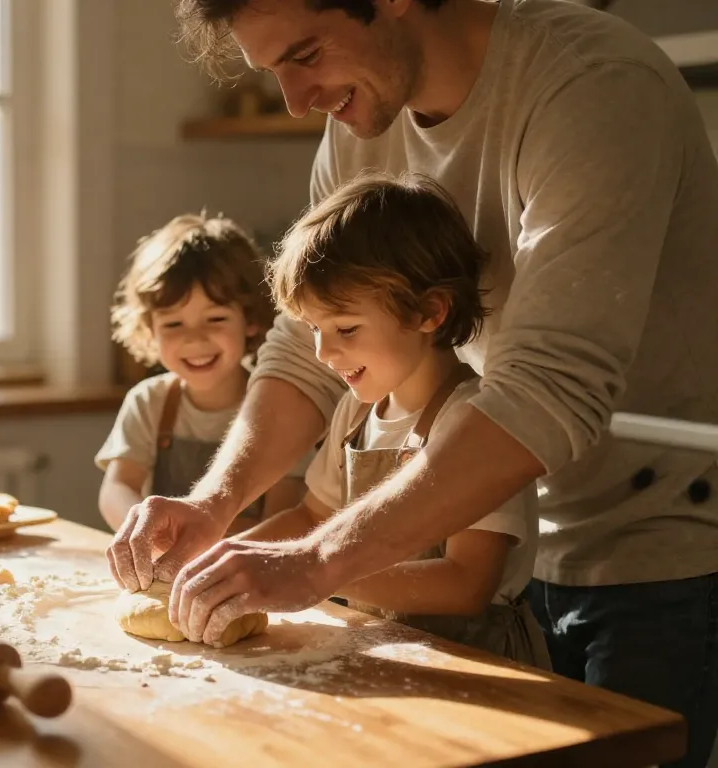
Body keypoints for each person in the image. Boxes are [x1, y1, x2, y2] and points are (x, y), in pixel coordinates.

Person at [106, 1, 718, 766]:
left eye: (304, 54)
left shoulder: (592, 85)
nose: (297, 101)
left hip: (654, 543)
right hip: (517, 558)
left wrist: (320, 563)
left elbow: (548, 389)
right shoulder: (362, 116)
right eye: (274, 73)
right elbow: (301, 350)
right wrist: (213, 503)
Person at [240, 169, 551, 667]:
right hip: (383, 653)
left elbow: (465, 584)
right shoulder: (357, 410)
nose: (322, 352)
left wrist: (312, 574)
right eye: (314, 329)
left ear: (429, 312)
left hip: (477, 667)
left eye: (344, 327)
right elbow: (311, 519)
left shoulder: (478, 423)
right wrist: (226, 560)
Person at [96, 211, 305, 535]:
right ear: (150, 330)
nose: (194, 338)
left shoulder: (281, 404)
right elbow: (116, 489)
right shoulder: (149, 402)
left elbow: (283, 517)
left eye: (216, 319)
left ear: (249, 319)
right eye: (173, 324)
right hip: (165, 571)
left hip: (248, 570)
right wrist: (142, 533)